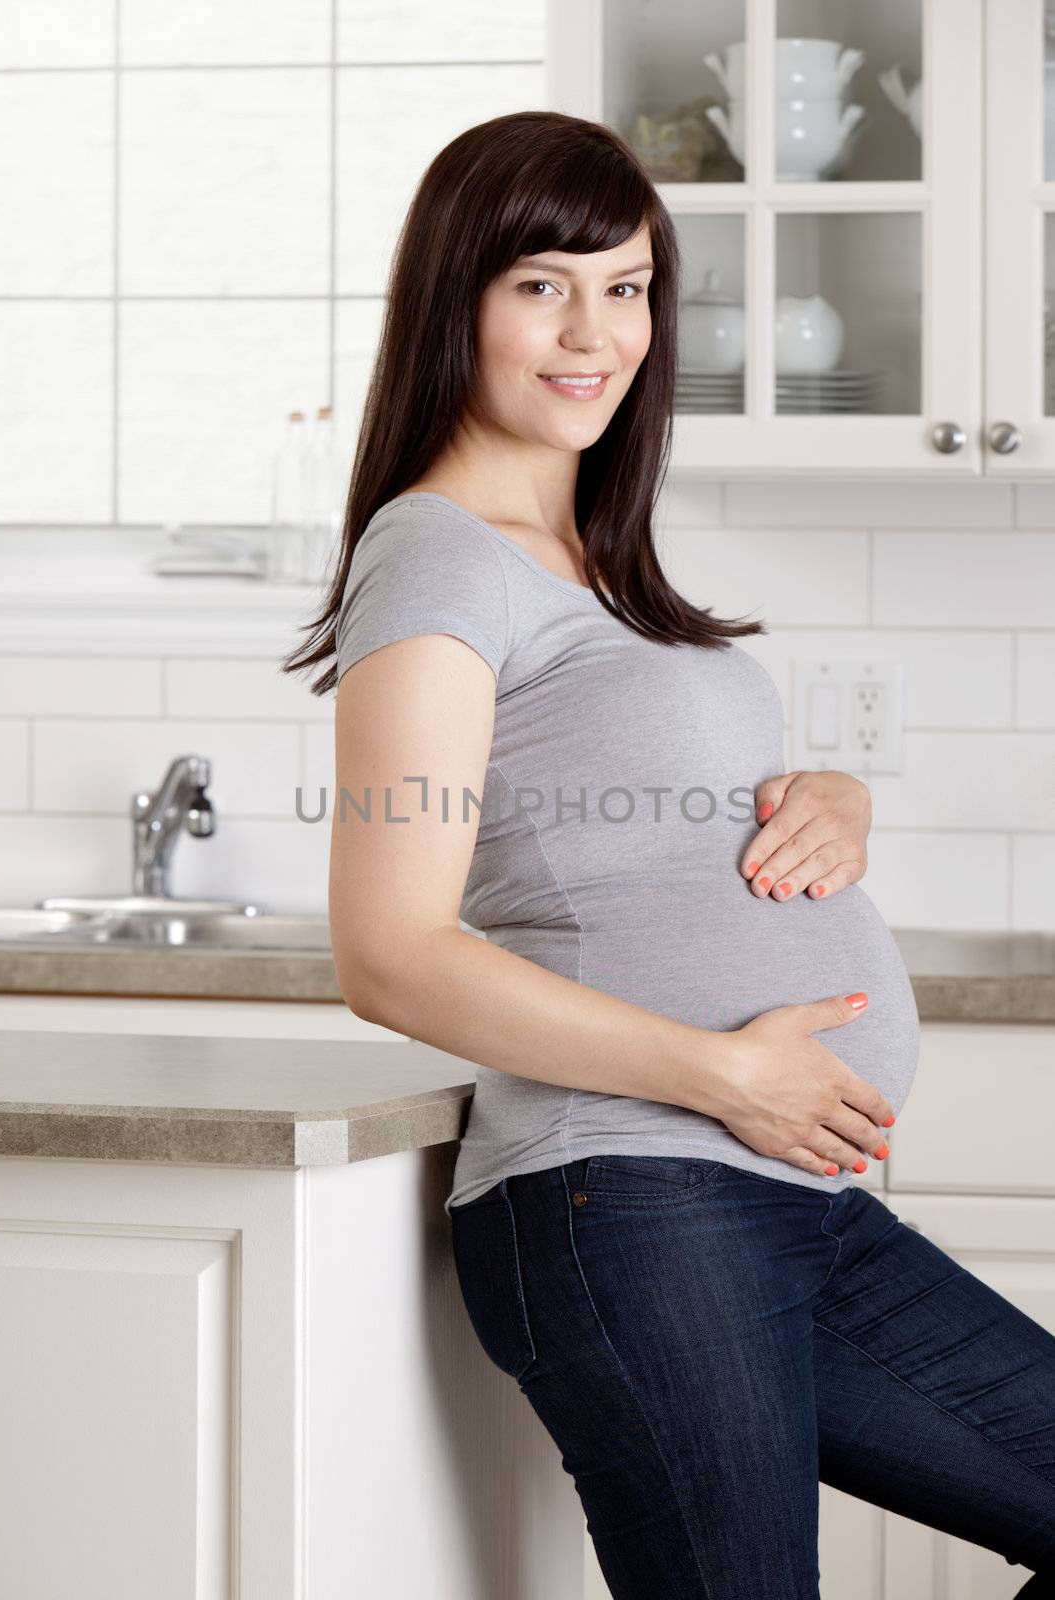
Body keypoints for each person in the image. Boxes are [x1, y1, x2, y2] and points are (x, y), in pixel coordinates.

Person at [284, 110, 1055, 1598]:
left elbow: (642, 804)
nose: (596, 331)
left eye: (627, 286)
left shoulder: (587, 556)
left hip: (786, 1205)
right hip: (635, 1197)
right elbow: (391, 951)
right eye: (543, 284)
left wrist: (835, 795)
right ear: (458, 297)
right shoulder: (436, 556)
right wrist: (726, 1072)